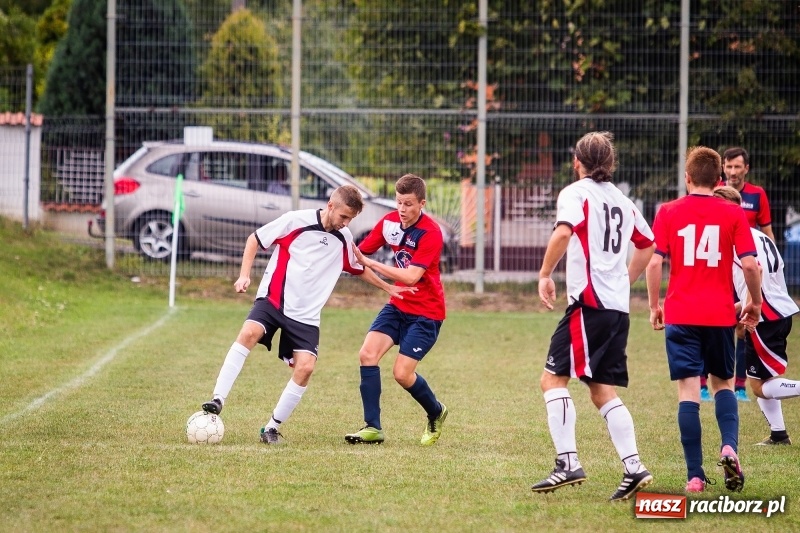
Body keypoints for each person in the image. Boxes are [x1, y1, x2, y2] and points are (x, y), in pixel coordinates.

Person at [200, 185, 413, 444]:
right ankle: (217, 399)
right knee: (249, 332)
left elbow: (358, 268)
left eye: (351, 219)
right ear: (331, 206)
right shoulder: (295, 221)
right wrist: (245, 275)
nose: (346, 223)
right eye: (344, 217)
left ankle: (271, 428)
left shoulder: (343, 237)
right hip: (274, 300)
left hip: (306, 316)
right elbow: (255, 239)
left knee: (306, 368)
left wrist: (387, 286)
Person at [529, 131, 656, 502]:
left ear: (576, 161)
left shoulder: (576, 192)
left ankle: (567, 463)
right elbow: (647, 244)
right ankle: (634, 468)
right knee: (601, 391)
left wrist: (544, 274)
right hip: (616, 309)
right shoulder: (622, 199)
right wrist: (624, 280)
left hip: (589, 305)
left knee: (552, 380)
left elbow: (564, 232)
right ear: (611, 164)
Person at [645, 146, 762, 494]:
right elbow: (751, 265)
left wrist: (654, 305)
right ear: (719, 179)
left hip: (681, 314)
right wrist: (753, 302)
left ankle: (694, 475)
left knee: (688, 393)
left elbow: (654, 263)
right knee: (724, 384)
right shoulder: (733, 214)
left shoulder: (668, 211)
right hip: (720, 314)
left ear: (688, 177)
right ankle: (728, 447)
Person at [344, 173, 448, 446]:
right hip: (397, 305)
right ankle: (372, 427)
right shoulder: (389, 222)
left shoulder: (431, 233)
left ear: (422, 203)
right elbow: (358, 252)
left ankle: (436, 412)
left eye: (409, 204)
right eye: (399, 202)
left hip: (427, 313)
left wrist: (373, 264)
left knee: (402, 374)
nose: (402, 209)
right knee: (367, 354)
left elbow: (412, 277)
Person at [714, 185, 800, 446]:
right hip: (780, 311)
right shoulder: (760, 236)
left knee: (759, 386)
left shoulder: (736, 239)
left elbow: (756, 270)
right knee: (761, 379)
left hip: (765, 316)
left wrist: (749, 306)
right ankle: (778, 434)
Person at [701, 147, 775, 402]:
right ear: (723, 168)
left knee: (743, 328)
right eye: (728, 166)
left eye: (737, 167)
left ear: (746, 169)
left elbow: (766, 233)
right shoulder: (715, 192)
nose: (732, 172)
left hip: (744, 270)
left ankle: (741, 385)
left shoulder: (757, 195)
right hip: (721, 269)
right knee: (709, 322)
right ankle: (702, 382)